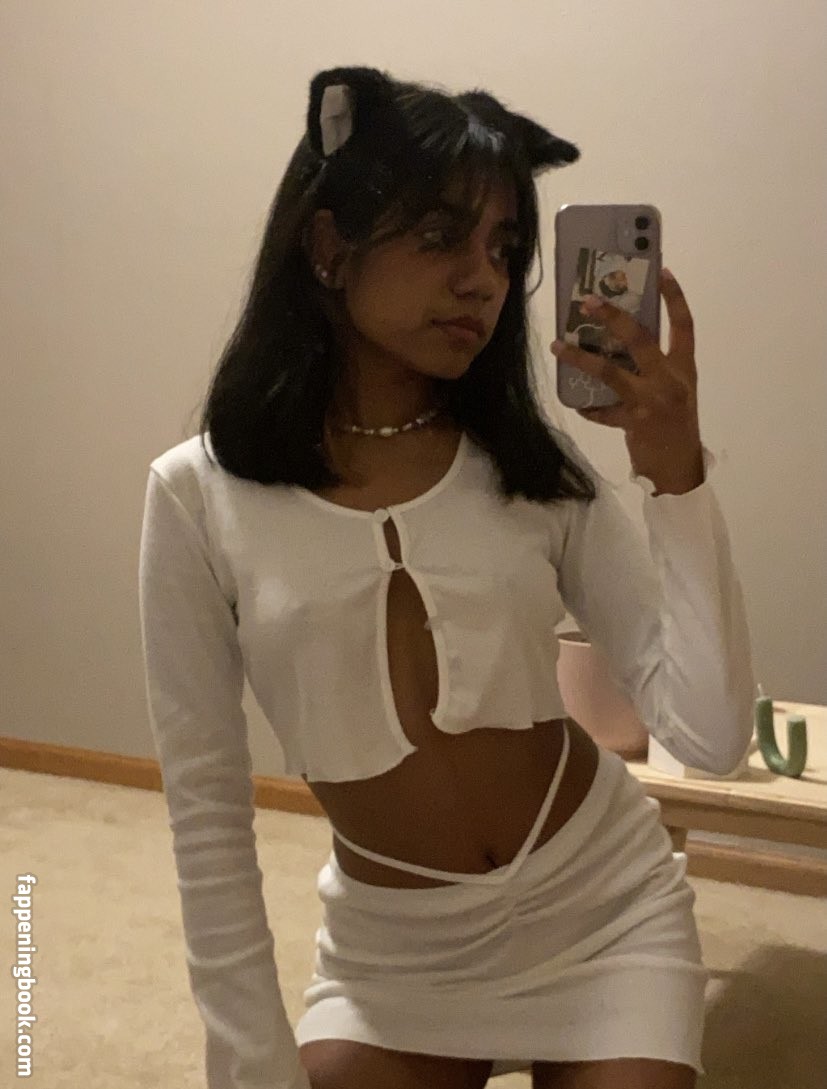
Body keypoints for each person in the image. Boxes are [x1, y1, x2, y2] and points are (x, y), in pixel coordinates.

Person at [138, 66, 756, 1089]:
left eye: (502, 248)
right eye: (440, 237)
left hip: (603, 912)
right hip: (395, 957)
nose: (482, 279)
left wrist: (673, 473)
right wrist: (248, 1067)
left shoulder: (530, 471)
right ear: (328, 245)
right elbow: (205, 809)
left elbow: (711, 734)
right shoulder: (196, 497)